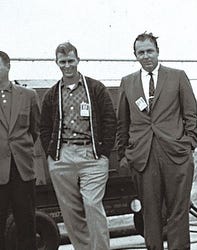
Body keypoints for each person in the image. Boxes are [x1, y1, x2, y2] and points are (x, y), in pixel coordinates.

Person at [117, 32, 197, 250]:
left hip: (176, 153)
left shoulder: (178, 77)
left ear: (158, 52)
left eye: (149, 51)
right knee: (150, 212)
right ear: (135, 55)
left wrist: (189, 142)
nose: (146, 56)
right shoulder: (127, 83)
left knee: (178, 211)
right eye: (141, 52)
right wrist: (124, 154)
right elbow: (122, 122)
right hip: (143, 155)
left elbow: (190, 113)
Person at [40, 42, 117, 250]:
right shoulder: (52, 94)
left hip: (91, 156)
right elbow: (44, 127)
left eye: (70, 61)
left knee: (92, 205)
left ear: (78, 60)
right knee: (70, 212)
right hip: (62, 157)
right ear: (56, 63)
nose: (67, 66)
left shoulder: (95, 88)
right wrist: (52, 155)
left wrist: (103, 152)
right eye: (62, 62)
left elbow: (110, 119)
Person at [0, 51, 40, 250]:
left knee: (26, 224)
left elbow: (35, 131)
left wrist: (19, 150)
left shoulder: (28, 95)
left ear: (8, 66)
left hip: (22, 172)